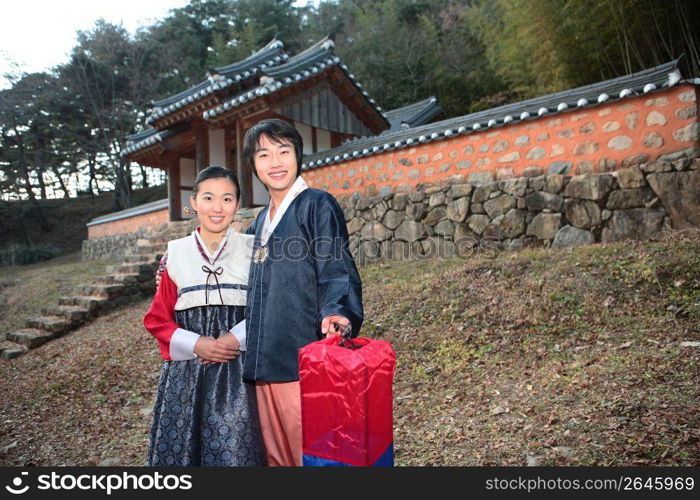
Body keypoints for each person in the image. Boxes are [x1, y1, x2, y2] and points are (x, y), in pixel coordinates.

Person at [239, 118, 364, 466]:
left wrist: (337, 310)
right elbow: (232, 277)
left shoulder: (316, 205)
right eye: (264, 155)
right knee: (275, 457)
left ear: (298, 155)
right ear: (254, 165)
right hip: (263, 359)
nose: (275, 162)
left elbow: (335, 264)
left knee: (311, 454)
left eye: (284, 151)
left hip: (303, 354)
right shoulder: (258, 223)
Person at [143, 165, 265, 466]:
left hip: (241, 371)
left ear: (238, 204)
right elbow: (157, 319)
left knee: (239, 445)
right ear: (193, 202)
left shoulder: (256, 250)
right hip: (186, 374)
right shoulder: (175, 254)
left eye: (227, 199)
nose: (217, 207)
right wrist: (197, 343)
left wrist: (233, 339)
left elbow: (270, 306)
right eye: (208, 198)